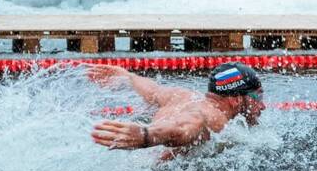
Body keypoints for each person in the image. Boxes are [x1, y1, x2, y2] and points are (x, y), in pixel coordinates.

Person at [90, 62, 265, 156]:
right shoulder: (214, 117)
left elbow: (153, 90)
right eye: (258, 97)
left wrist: (128, 76)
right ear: (235, 100)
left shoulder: (182, 95)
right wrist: (146, 136)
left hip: (134, 161)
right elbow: (185, 126)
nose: (262, 106)